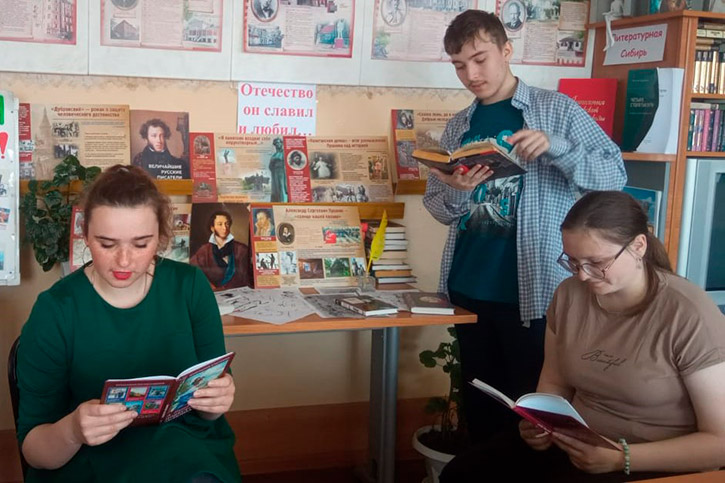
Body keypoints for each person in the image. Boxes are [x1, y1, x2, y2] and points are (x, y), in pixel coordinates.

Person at [422, 10, 626, 445]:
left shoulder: (556, 110)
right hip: (468, 286)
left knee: (533, 412)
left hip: (534, 291)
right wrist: (458, 190)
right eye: (459, 65)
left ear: (506, 50)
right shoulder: (459, 125)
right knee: (481, 409)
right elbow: (439, 208)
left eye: (480, 59)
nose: (471, 75)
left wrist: (558, 148)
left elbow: (614, 176)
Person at [440, 191, 725, 482]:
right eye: (573, 262)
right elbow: (554, 383)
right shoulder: (569, 294)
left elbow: (719, 444)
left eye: (596, 262)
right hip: (578, 444)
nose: (583, 275)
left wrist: (621, 458)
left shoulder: (688, 312)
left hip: (652, 461)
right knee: (461, 473)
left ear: (638, 246)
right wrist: (539, 424)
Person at [16, 165, 240, 482]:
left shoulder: (190, 287)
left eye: (141, 244)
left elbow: (210, 407)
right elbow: (34, 449)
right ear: (85, 234)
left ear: (161, 237)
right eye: (107, 244)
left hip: (184, 451)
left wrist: (216, 401)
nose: (124, 261)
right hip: (89, 461)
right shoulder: (56, 310)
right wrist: (73, 431)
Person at [190, 210, 251, 290]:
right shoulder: (204, 251)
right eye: (220, 224)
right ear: (212, 228)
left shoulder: (242, 249)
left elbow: (247, 277)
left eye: (227, 224)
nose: (224, 228)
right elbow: (193, 270)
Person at [269, 138, 288, 202]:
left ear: (281, 143)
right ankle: (278, 201)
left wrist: (276, 159)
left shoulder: (284, 152)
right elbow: (270, 166)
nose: (277, 144)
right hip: (275, 171)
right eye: (276, 143)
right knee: (276, 188)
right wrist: (273, 160)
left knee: (282, 187)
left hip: (282, 171)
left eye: (279, 142)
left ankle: (283, 202)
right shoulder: (274, 155)